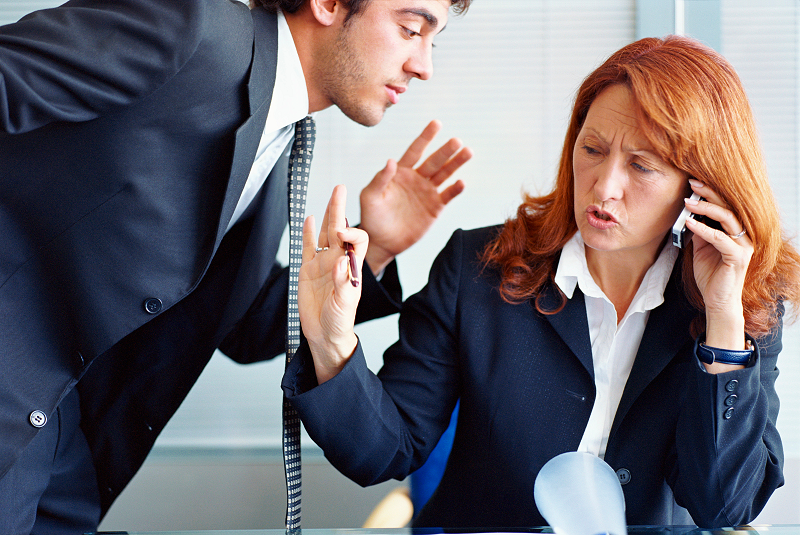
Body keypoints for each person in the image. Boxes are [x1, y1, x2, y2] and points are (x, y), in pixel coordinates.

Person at [285, 35, 800, 528]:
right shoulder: (479, 266)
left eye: (641, 166)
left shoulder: (741, 302)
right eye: (593, 149)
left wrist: (723, 319)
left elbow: (723, 507)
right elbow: (384, 450)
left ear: (701, 188)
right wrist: (331, 342)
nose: (604, 185)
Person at [0, 0, 474, 532]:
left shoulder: (281, 133)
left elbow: (240, 322)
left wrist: (376, 249)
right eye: (411, 29)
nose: (424, 64)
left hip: (63, 446)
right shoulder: (191, 24)